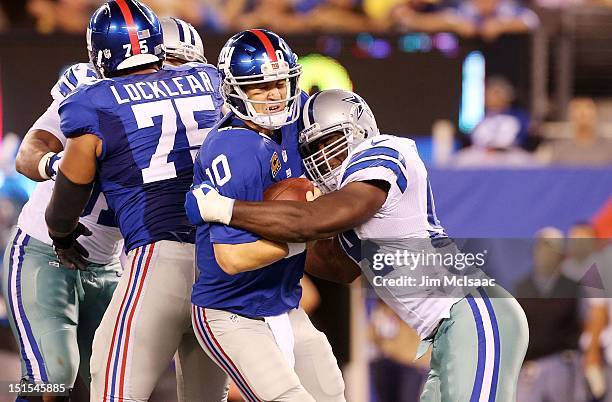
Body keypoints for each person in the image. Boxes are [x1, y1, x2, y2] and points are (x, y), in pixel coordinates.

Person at [188, 88, 529, 401]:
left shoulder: (384, 152)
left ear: (359, 127)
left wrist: (224, 208)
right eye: (314, 150)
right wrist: (272, 241)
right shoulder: (346, 201)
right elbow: (340, 268)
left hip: (475, 313)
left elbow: (311, 221)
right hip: (446, 330)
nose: (325, 157)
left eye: (331, 142)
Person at [44, 1, 228, 401]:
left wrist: (60, 232)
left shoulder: (93, 101)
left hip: (158, 258)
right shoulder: (211, 79)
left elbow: (72, 185)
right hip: (222, 257)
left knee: (113, 387)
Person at [185, 29, 346, 401]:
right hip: (230, 311)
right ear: (235, 89)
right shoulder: (233, 148)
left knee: (331, 392)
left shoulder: (298, 115)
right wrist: (306, 232)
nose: (275, 95)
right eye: (260, 86)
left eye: (280, 82)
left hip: (282, 302)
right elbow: (230, 258)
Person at [514, 227, 587, 402]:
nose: (544, 254)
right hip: (529, 368)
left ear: (561, 256)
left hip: (562, 364)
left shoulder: (572, 287)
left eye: (550, 250)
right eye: (540, 249)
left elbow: (584, 323)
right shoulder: (522, 287)